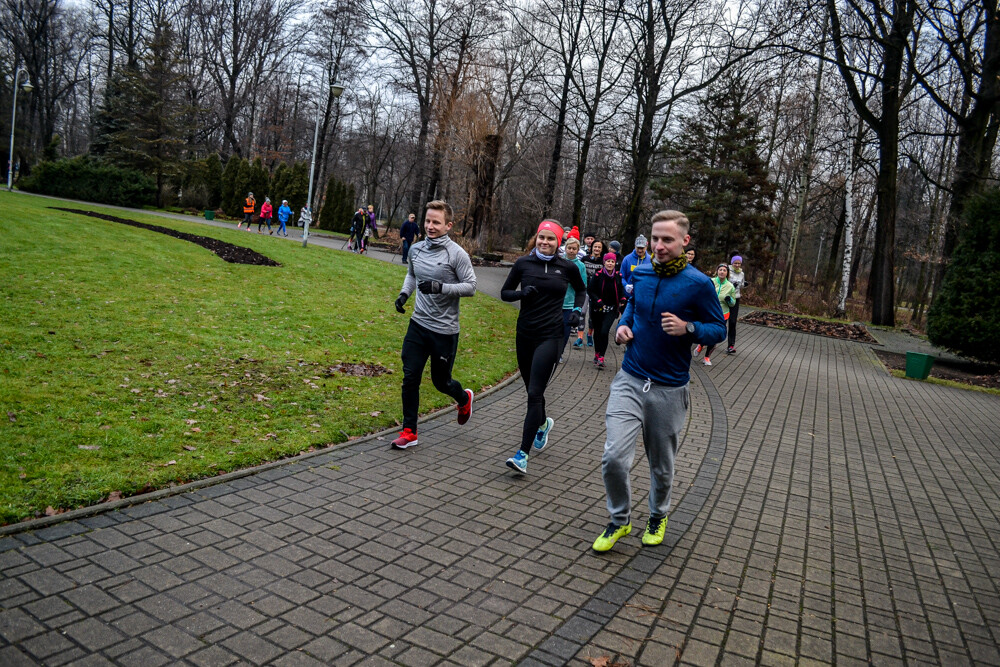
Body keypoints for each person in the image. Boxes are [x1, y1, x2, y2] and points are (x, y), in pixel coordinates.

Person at [592, 210, 726, 553]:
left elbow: (718, 329)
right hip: (631, 378)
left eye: (667, 239)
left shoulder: (698, 284)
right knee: (613, 459)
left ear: (685, 241)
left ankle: (658, 515)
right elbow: (634, 305)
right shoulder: (644, 271)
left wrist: (689, 329)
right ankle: (619, 521)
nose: (659, 246)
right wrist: (624, 325)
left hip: (669, 388)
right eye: (655, 238)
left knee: (661, 467)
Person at [500, 220, 586, 474]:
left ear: (559, 242)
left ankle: (522, 454)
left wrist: (577, 312)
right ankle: (542, 424)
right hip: (524, 334)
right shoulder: (523, 264)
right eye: (541, 238)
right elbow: (505, 292)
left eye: (550, 239)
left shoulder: (567, 267)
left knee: (535, 393)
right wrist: (521, 294)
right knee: (531, 390)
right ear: (535, 238)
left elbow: (581, 292)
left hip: (551, 335)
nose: (545, 242)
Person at [391, 200, 476, 449]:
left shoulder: (457, 254)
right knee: (410, 376)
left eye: (436, 222)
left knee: (441, 383)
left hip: (444, 331)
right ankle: (409, 431)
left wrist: (441, 287)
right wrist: (404, 294)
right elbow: (412, 275)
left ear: (448, 225)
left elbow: (471, 286)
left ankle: (463, 398)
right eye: (427, 221)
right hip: (418, 324)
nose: (430, 226)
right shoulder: (416, 250)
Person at [587, 252, 627, 369]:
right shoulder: (598, 275)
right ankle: (597, 353)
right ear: (604, 262)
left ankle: (601, 357)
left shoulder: (618, 276)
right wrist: (598, 301)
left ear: (615, 263)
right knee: (598, 332)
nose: (610, 263)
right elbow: (590, 290)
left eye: (612, 261)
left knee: (605, 331)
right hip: (597, 308)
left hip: (611, 309)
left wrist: (622, 299)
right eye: (608, 261)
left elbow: (621, 290)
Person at [695, 264, 736, 366]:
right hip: (708, 311)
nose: (722, 272)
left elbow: (733, 303)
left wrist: (729, 300)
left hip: (722, 314)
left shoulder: (730, 287)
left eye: (724, 270)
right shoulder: (710, 282)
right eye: (720, 270)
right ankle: (701, 344)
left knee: (715, 335)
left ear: (727, 273)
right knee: (706, 331)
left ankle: (707, 357)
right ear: (717, 271)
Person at [560, 237, 588, 361]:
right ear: (565, 249)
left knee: (565, 331)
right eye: (569, 248)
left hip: (570, 303)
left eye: (574, 249)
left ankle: (560, 353)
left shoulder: (580, 266)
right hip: (557, 302)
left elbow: (582, 286)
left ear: (577, 250)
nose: (571, 251)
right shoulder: (559, 262)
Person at [578, 240, 605, 348]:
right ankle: (580, 337)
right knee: (582, 312)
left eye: (599, 247)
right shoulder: (584, 259)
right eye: (595, 247)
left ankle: (589, 334)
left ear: (602, 249)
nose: (597, 249)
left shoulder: (603, 261)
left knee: (592, 316)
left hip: (596, 292)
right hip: (584, 289)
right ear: (591, 248)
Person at [727, 255, 746, 353]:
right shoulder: (727, 270)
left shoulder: (742, 273)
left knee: (733, 322)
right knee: (722, 321)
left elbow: (741, 284)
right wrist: (731, 286)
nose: (737, 265)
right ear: (732, 263)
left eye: (739, 263)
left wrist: (744, 285)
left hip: (736, 298)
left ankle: (731, 345)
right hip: (726, 298)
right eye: (735, 263)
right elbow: (723, 282)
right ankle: (711, 341)